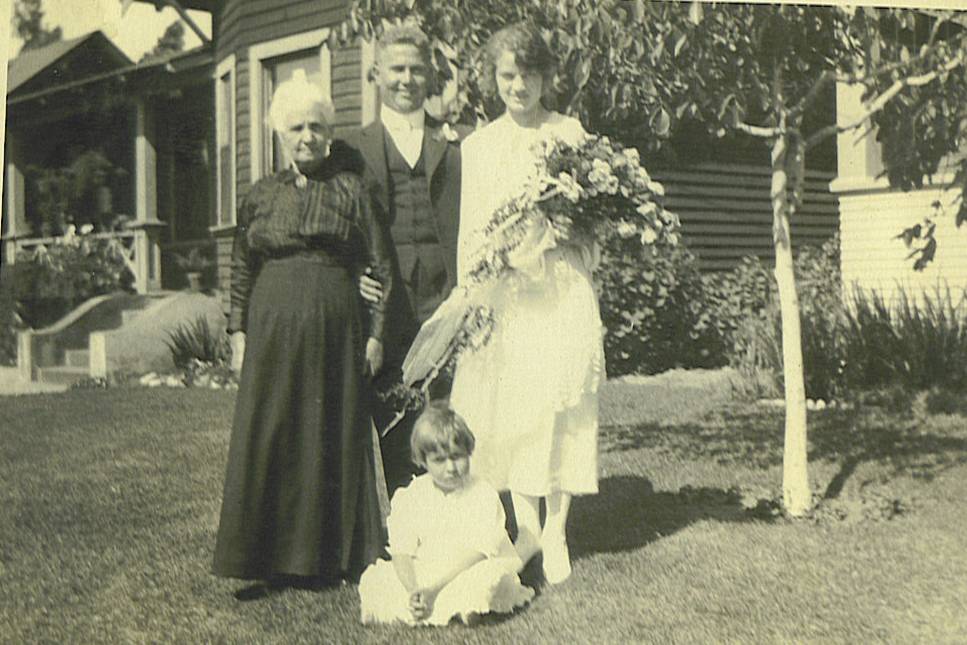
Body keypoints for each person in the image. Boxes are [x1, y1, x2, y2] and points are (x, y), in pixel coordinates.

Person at [212, 72, 393, 597]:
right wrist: (237, 330)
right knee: (269, 431)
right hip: (270, 327)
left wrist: (376, 334)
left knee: (327, 427)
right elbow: (242, 265)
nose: (307, 136)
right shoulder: (260, 195)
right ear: (278, 132)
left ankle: (327, 558)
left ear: (329, 131)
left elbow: (380, 266)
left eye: (316, 126)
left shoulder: (352, 191)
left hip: (336, 328)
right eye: (296, 127)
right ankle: (266, 558)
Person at [449, 23, 605, 585]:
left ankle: (558, 530)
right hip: (510, 293)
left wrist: (562, 236)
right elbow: (473, 231)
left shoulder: (569, 133)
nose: (519, 85)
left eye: (529, 74)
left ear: (545, 76)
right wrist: (487, 273)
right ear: (494, 80)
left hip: (560, 288)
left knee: (562, 410)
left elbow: (592, 221)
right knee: (512, 413)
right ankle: (527, 527)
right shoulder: (479, 145)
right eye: (508, 75)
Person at [353, 24, 463, 495]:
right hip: (389, 302)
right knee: (395, 410)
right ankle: (408, 519)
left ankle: (463, 517)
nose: (406, 78)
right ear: (375, 74)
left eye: (417, 70)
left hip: (447, 293)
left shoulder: (456, 143)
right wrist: (352, 272)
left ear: (430, 76)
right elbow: (339, 224)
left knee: (452, 407)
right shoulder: (351, 148)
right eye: (396, 69)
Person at [357, 402, 534, 626]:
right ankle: (431, 605)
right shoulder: (412, 495)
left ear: (469, 453)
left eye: (457, 457)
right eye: (439, 460)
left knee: (483, 580)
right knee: (378, 581)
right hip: (427, 568)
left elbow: (480, 551)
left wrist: (433, 589)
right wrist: (414, 589)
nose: (451, 468)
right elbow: (402, 549)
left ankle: (462, 606)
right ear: (423, 460)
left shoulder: (482, 493)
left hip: (465, 567)